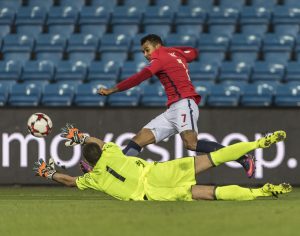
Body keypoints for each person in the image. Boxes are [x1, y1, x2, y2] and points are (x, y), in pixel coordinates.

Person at [97, 34, 255, 178]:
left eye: (147, 50)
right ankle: (110, 172)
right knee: (139, 139)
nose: (146, 55)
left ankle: (242, 157)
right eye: (143, 52)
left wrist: (112, 90)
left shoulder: (159, 58)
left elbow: (140, 77)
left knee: (191, 143)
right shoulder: (174, 54)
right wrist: (170, 50)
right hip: (173, 109)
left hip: (184, 103)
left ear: (157, 46)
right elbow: (193, 52)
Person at [33, 125, 292, 201]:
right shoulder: (111, 151)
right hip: (160, 173)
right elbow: (97, 141)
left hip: (152, 193)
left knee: (208, 193)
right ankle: (258, 143)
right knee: (212, 158)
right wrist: (80, 137)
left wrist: (49, 173)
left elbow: (68, 181)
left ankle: (260, 192)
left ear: (88, 163)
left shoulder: (93, 179)